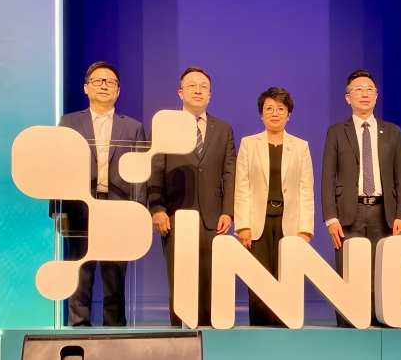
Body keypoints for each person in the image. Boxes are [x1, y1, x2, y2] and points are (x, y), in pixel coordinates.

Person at [51, 61, 147, 326]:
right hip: (80, 210)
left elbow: (140, 176)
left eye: (110, 82)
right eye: (97, 80)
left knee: (115, 278)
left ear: (118, 91)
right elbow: (57, 167)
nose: (104, 85)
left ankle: (114, 334)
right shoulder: (69, 122)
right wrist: (58, 211)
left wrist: (138, 214)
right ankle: (78, 329)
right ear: (86, 88)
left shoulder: (133, 127)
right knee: (80, 276)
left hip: (118, 210)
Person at [147, 66, 236, 327]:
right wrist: (157, 208)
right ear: (180, 92)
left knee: (212, 281)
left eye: (203, 86)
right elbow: (155, 169)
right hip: (175, 214)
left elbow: (230, 172)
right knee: (180, 279)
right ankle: (179, 338)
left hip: (214, 217)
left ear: (210, 94)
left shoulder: (224, 129)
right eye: (192, 86)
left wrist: (228, 211)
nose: (198, 90)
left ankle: (211, 337)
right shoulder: (165, 125)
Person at [321, 69, 401, 326]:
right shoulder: (337, 131)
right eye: (358, 89)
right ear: (348, 97)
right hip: (349, 212)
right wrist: (330, 218)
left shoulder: (392, 131)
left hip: (384, 212)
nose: (364, 94)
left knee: (382, 273)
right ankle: (348, 326)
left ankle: (380, 324)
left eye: (370, 89)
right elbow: (328, 177)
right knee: (348, 273)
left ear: (376, 96)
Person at [234, 87, 314, 326]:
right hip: (257, 224)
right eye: (269, 108)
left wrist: (305, 230)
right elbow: (242, 186)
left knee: (287, 279)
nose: (275, 113)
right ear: (261, 114)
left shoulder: (300, 146)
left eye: (281, 108)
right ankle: (259, 332)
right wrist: (243, 225)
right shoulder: (249, 144)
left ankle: (284, 330)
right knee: (258, 280)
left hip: (289, 223)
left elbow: (305, 190)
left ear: (289, 114)